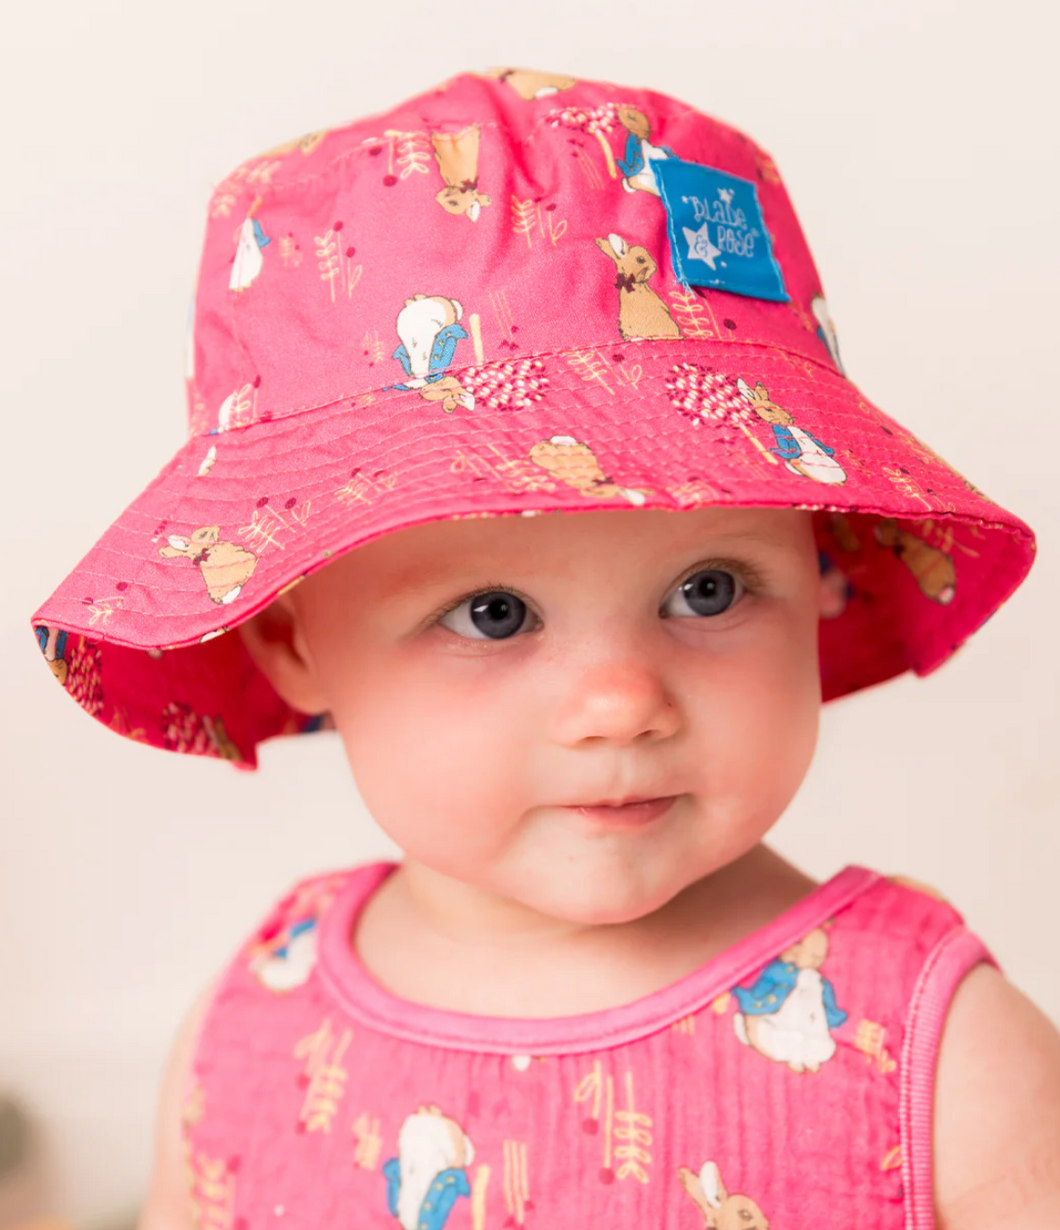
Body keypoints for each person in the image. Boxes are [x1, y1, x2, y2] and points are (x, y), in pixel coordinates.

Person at [29, 67, 1060, 1228]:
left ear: (818, 570)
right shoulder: (251, 1031)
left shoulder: (938, 1061)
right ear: (288, 636)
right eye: (494, 614)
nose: (621, 704)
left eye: (708, 588)